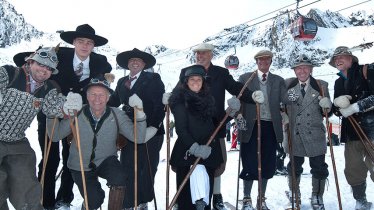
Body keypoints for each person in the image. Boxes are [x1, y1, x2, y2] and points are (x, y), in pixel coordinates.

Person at [38, 24, 112, 210]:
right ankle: (44, 202)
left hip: (77, 118)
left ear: (94, 45)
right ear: (73, 42)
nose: (85, 46)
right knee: (49, 158)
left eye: (89, 42)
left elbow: (103, 85)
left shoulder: (100, 62)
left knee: (72, 158)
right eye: (80, 41)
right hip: (51, 115)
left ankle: (64, 199)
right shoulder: (58, 56)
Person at [174, 43, 257, 210]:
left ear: (211, 54)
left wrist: (252, 96)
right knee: (189, 165)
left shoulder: (220, 73)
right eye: (198, 53)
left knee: (216, 164)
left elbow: (235, 88)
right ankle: (183, 199)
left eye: (204, 53)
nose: (200, 56)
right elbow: (177, 95)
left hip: (216, 126)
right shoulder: (187, 72)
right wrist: (170, 99)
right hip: (189, 129)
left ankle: (215, 195)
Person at [46, 77, 147, 210]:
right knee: (94, 200)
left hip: (106, 160)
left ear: (108, 97)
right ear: (87, 96)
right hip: (79, 164)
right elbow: (55, 136)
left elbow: (138, 137)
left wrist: (139, 113)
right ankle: (89, 203)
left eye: (101, 94)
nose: (97, 98)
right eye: (93, 94)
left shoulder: (117, 115)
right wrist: (51, 114)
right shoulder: (76, 112)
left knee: (120, 177)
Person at [0, 46, 67, 210]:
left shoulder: (48, 88)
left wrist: (69, 106)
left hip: (17, 141)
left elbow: (53, 109)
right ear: (30, 62)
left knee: (26, 183)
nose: (44, 70)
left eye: (49, 68)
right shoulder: (10, 73)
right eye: (41, 64)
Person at [109, 48, 165, 209]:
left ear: (143, 64)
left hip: (151, 132)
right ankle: (127, 202)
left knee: (147, 167)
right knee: (127, 166)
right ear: (127, 64)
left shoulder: (153, 78)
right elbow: (114, 100)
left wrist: (153, 127)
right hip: (129, 131)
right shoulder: (121, 82)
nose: (134, 62)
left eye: (138, 60)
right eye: (131, 60)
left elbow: (158, 105)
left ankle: (143, 202)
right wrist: (97, 101)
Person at [167, 64, 224, 210]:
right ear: (186, 82)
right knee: (187, 200)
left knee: (205, 195)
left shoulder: (209, 100)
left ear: (203, 82)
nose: (195, 82)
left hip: (208, 151)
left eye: (199, 79)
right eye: (192, 79)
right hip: (187, 151)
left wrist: (231, 112)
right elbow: (181, 129)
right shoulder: (180, 101)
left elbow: (217, 122)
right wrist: (194, 147)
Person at [237, 49, 287, 210]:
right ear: (256, 62)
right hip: (250, 126)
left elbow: (285, 100)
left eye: (267, 61)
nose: (263, 63)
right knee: (249, 161)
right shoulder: (246, 78)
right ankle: (246, 198)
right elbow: (238, 100)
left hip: (270, 126)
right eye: (260, 61)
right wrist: (238, 118)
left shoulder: (278, 80)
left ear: (271, 62)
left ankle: (261, 199)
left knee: (267, 163)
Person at [284, 55, 332, 209]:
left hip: (315, 134)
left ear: (311, 69)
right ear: (294, 70)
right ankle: (294, 192)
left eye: (305, 67)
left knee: (319, 167)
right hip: (295, 133)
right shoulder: (288, 84)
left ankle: (317, 195)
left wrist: (327, 106)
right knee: (294, 166)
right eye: (298, 67)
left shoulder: (321, 85)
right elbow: (281, 106)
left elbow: (327, 113)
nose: (302, 70)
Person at [330, 46, 374, 210]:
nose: (338, 60)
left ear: (351, 58)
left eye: (342, 57)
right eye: (335, 59)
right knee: (353, 170)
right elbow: (337, 110)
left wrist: (355, 107)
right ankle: (361, 200)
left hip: (372, 129)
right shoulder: (338, 81)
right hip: (351, 132)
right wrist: (337, 105)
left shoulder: (367, 70)